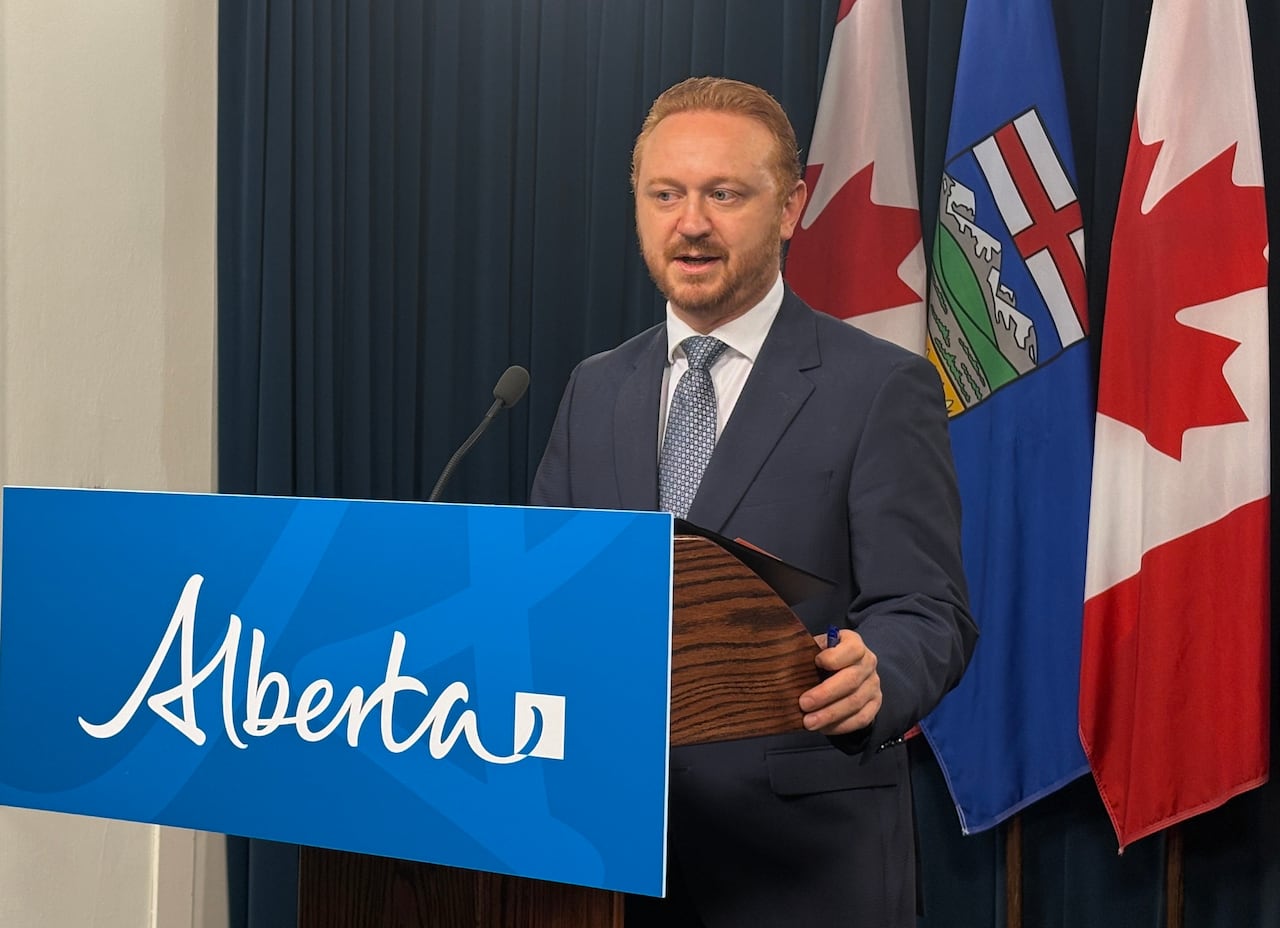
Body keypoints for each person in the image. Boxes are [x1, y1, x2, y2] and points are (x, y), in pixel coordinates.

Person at [531, 76, 977, 928]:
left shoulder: (881, 388)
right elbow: (551, 595)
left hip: (802, 864)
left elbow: (930, 609)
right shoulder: (596, 388)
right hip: (608, 855)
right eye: (666, 194)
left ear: (790, 207)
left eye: (723, 193)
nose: (690, 222)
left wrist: (879, 673)